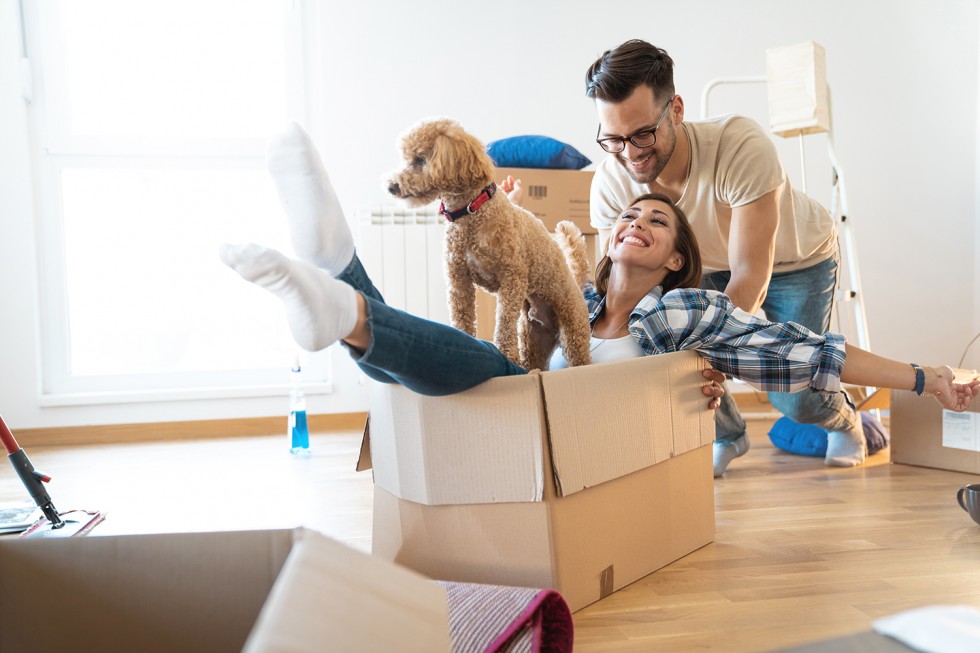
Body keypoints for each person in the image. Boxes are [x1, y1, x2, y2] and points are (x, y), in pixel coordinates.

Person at [219, 125, 979, 449]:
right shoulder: (574, 300)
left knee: (496, 375)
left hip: (573, 441)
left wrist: (929, 378)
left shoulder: (686, 313)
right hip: (514, 416)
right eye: (630, 216)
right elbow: (505, 267)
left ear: (676, 258)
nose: (636, 222)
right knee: (479, 367)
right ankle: (338, 275)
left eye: (658, 221)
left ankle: (343, 286)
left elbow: (814, 353)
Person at [585, 39, 851, 475]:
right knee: (670, 357)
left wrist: (716, 355)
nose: (629, 154)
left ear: (676, 110)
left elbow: (749, 273)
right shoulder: (611, 182)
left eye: (642, 135)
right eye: (613, 139)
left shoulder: (738, 146)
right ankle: (729, 434)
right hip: (699, 265)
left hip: (793, 260)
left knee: (792, 392)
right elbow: (615, 286)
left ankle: (845, 420)